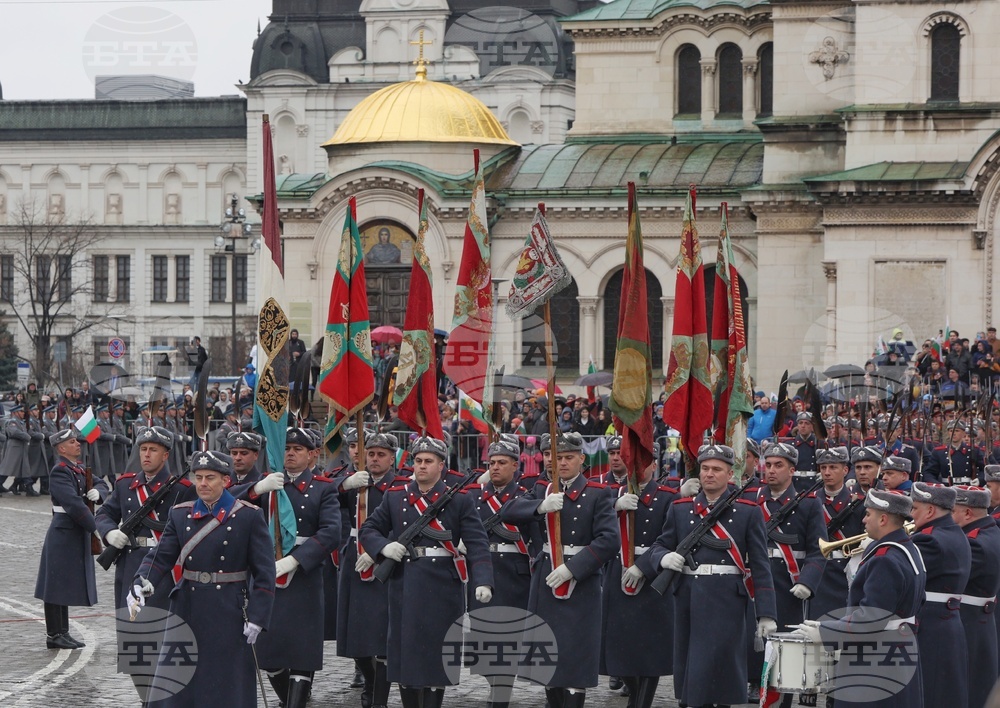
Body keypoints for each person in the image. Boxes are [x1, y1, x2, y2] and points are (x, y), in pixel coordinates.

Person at [129, 450, 276, 707]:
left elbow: (264, 572)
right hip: (188, 606)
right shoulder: (180, 514)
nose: (203, 484)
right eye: (198, 477)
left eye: (210, 477)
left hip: (230, 609)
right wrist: (143, 580)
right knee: (180, 680)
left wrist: (258, 617)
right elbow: (161, 556)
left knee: (226, 682)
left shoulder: (248, 516)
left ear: (226, 481)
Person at [360, 435, 493, 708]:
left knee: (436, 656)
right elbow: (369, 529)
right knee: (406, 656)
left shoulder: (459, 500)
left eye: (428, 461)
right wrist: (385, 548)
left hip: (443, 586)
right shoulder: (396, 497)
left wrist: (483, 581)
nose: (421, 466)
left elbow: (478, 543)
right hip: (404, 584)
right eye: (418, 461)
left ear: (441, 465)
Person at [642, 444, 777, 707]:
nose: (709, 474)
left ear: (730, 475)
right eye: (705, 469)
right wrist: (663, 558)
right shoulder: (681, 509)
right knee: (693, 670)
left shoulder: (748, 512)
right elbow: (659, 545)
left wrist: (766, 613)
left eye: (717, 469)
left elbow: (760, 565)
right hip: (689, 598)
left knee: (723, 671)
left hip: (727, 598)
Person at [503, 432, 618, 708]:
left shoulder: (597, 493)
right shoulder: (542, 490)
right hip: (546, 576)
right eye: (555, 457)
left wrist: (573, 569)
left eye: (568, 457)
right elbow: (508, 512)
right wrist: (540, 506)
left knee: (575, 654)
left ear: (582, 459)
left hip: (581, 581)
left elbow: (608, 540)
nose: (561, 463)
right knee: (548, 653)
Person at [791, 488, 926, 708]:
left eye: (868, 514)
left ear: (883, 519)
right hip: (897, 650)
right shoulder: (909, 549)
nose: (863, 520)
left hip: (875, 658)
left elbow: (871, 618)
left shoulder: (885, 559)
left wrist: (825, 631)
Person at [239, 427, 342, 708]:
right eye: (286, 448)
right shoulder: (268, 483)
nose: (291, 454)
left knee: (302, 650)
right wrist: (256, 489)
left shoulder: (323, 488)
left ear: (312, 455)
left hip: (303, 576)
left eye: (297, 449)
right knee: (269, 654)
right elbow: (229, 503)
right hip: (266, 571)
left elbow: (332, 532)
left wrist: (295, 559)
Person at [94, 425, 196, 702]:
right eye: (143, 449)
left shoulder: (183, 489)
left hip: (165, 572)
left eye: (153, 449)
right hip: (130, 567)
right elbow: (104, 513)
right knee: (134, 640)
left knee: (163, 640)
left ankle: (159, 700)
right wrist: (108, 531)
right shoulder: (126, 484)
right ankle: (145, 698)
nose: (146, 455)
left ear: (166, 454)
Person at [336, 431, 409, 708]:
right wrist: (345, 484)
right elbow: (318, 492)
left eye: (381, 454)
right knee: (355, 631)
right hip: (354, 557)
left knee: (381, 631)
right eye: (371, 453)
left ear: (392, 458)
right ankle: (368, 679)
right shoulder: (355, 483)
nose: (374, 459)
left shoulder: (401, 485)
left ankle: (377, 695)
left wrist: (377, 550)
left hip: (386, 559)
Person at [601, 450, 679, 708]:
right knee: (618, 643)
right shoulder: (612, 493)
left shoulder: (668, 497)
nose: (638, 468)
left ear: (655, 465)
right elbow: (593, 522)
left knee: (650, 648)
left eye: (644, 463)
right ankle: (634, 692)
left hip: (653, 575)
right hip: (618, 571)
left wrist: (644, 566)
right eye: (633, 462)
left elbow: (670, 538)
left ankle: (641, 702)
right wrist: (614, 504)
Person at [466, 436, 541, 708]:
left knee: (508, 637)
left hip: (514, 574)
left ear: (515, 465)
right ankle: (494, 681)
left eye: (501, 463)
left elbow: (537, 539)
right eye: (492, 463)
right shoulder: (476, 496)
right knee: (483, 636)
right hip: (482, 572)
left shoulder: (524, 497)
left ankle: (501, 692)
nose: (495, 467)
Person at [33, 428, 101, 649]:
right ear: (62, 448)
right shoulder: (60, 471)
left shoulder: (79, 469)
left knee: (62, 583)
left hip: (75, 531)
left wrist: (99, 493)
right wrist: (95, 526)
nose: (78, 444)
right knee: (54, 583)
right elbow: (72, 504)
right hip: (63, 532)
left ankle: (63, 631)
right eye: (72, 442)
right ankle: (54, 634)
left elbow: (102, 484)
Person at [909, 481, 971, 708]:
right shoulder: (955, 533)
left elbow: (903, 577)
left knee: (931, 693)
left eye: (915, 508)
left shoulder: (929, 539)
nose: (911, 514)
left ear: (930, 510)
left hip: (930, 626)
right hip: (946, 624)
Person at [951, 485, 1000, 706]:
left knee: (968, 687)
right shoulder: (992, 530)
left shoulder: (974, 543)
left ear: (968, 513)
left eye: (951, 511)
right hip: (982, 622)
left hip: (969, 622)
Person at [810, 446, 865, 621]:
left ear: (845, 470)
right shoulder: (810, 502)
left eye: (833, 467)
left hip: (844, 570)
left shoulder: (857, 504)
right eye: (823, 468)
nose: (827, 472)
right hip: (818, 571)